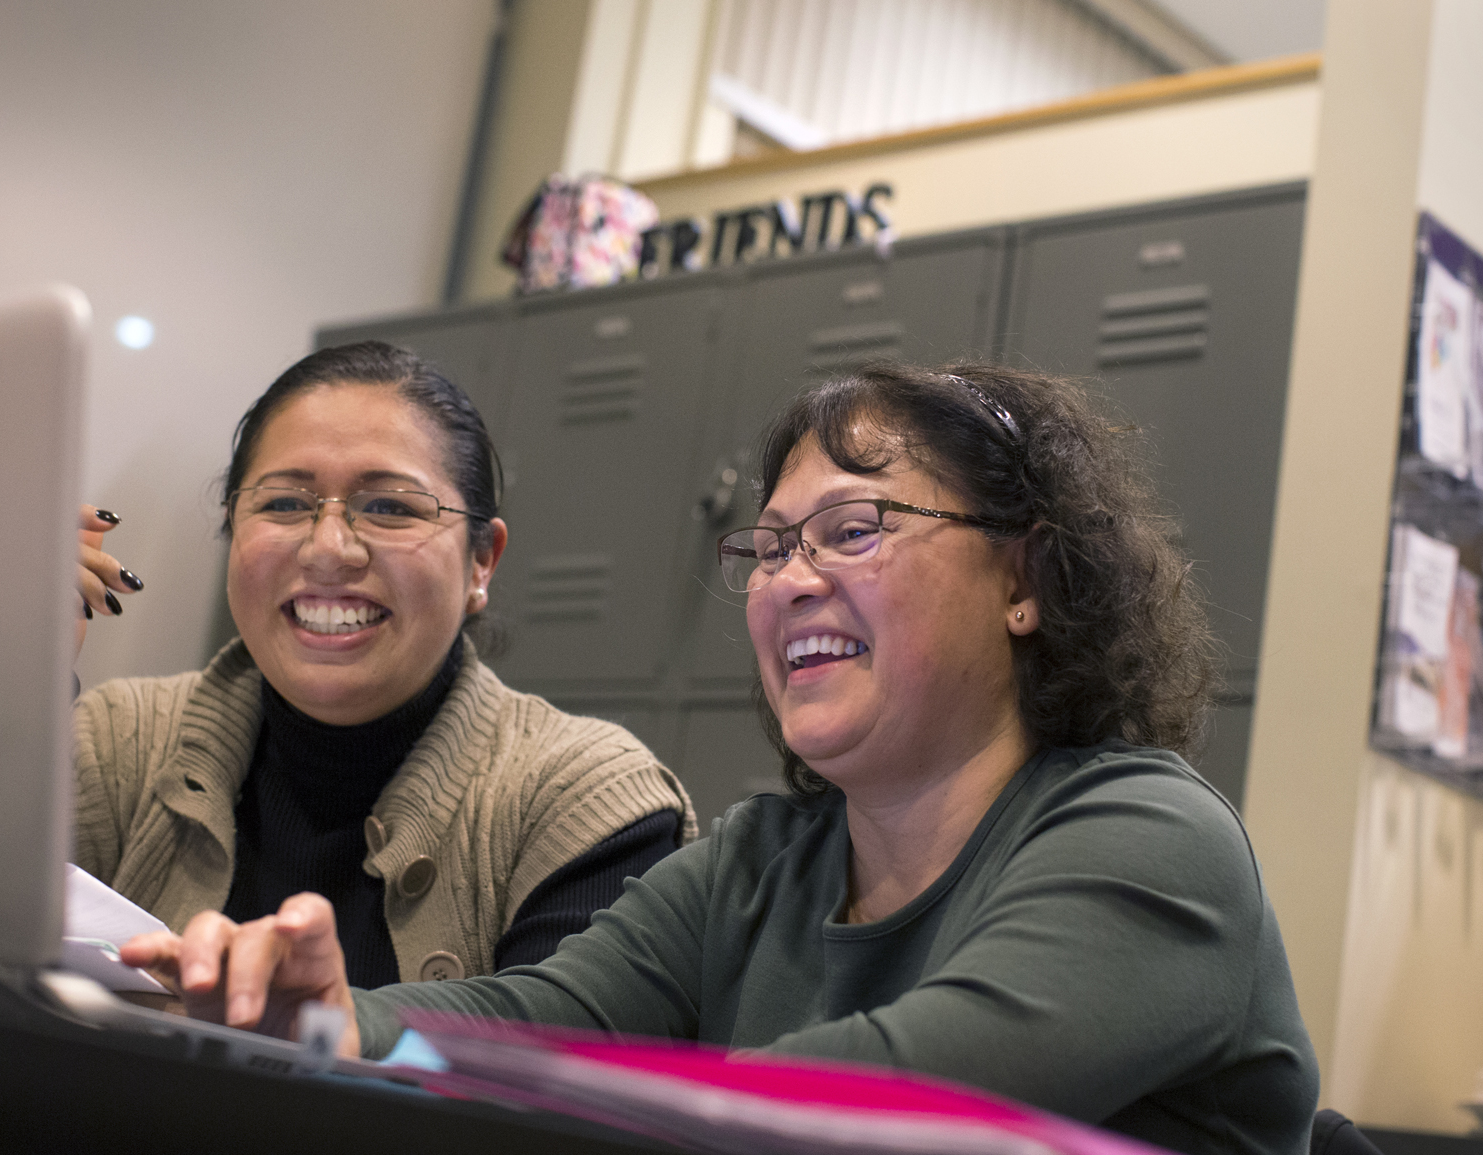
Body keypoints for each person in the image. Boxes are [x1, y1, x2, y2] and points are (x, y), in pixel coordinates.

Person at [122, 362, 1319, 1155]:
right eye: (772, 545)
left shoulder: (1150, 842)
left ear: (1024, 578)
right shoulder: (760, 860)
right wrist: (333, 1019)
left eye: (853, 530)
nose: (790, 578)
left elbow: (877, 1107)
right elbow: (535, 1021)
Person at [71, 341, 694, 987]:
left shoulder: (583, 802)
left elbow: (552, 1068)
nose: (328, 549)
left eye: (391, 507)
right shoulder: (116, 743)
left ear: (482, 561)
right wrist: (11, 668)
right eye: (283, 503)